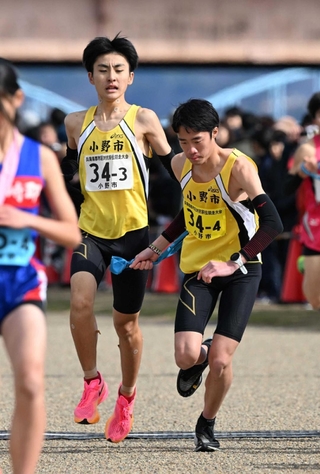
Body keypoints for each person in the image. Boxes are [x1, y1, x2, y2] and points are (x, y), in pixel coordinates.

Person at [130, 99, 283, 451]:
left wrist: (234, 261)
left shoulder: (239, 168)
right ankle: (209, 353)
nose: (190, 149)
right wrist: (154, 250)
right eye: (182, 141)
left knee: (221, 361)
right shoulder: (182, 164)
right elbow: (189, 212)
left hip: (242, 271)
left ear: (215, 133)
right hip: (199, 270)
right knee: (186, 356)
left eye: (197, 140)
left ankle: (206, 423)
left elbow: (274, 223)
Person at [61, 33, 174, 443]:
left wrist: (196, 200)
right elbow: (67, 176)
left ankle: (126, 397)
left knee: (126, 325)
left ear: (131, 77)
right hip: (91, 232)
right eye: (103, 70)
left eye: (119, 70)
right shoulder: (76, 123)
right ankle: (93, 382)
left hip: (134, 238)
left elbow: (173, 167)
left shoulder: (144, 120)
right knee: (79, 301)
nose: (111, 77)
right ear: (90, 76)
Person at [0, 58, 81, 474]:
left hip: (19, 281)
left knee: (31, 382)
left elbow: (72, 233)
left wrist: (27, 218)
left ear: (15, 100)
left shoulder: (38, 157)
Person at [285, 92, 320, 310]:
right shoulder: (308, 149)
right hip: (316, 227)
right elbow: (285, 189)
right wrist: (303, 171)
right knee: (315, 298)